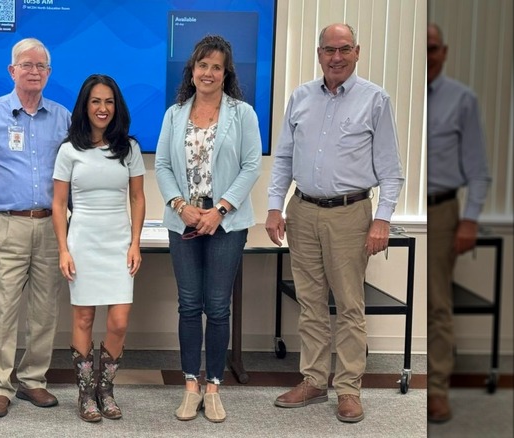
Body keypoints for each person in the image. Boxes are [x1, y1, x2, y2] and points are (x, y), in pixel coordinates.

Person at [265, 23, 404, 423]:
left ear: (357, 52)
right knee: (309, 303)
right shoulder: (301, 97)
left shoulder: (375, 99)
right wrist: (275, 206)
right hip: (303, 211)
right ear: (319, 53)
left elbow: (391, 170)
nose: (336, 57)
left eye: (344, 49)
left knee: (348, 305)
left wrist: (383, 220)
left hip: (351, 214)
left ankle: (348, 389)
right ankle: (312, 380)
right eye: (329, 49)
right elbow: (285, 160)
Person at [0, 37, 70, 419]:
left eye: (41, 66)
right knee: (2, 312)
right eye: (27, 64)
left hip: (51, 227)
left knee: (45, 311)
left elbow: (71, 178)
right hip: (5, 226)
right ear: (12, 70)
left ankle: (34, 381)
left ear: (49, 73)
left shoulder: (63, 117)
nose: (34, 71)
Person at [155, 35, 262, 423]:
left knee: (217, 307)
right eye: (203, 65)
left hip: (226, 224)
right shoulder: (174, 114)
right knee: (189, 305)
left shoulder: (243, 114)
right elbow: (163, 166)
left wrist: (219, 210)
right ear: (192, 70)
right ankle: (189, 387)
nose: (209, 73)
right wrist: (180, 206)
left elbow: (252, 166)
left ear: (226, 72)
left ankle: (213, 387)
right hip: (182, 222)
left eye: (216, 66)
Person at [52, 74, 146, 422]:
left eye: (108, 101)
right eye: (95, 101)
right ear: (85, 106)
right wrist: (64, 249)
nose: (102, 108)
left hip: (119, 241)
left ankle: (106, 390)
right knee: (85, 317)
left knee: (119, 322)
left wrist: (135, 243)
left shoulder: (130, 149)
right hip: (83, 240)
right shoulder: (68, 150)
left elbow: (137, 197)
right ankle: (85, 394)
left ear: (116, 106)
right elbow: (59, 205)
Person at [425, 23, 491, 423]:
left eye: (432, 48)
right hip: (389, 206)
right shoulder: (393, 98)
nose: (428, 55)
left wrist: (470, 221)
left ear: (444, 52)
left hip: (443, 212)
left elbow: (480, 170)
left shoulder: (462, 100)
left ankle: (436, 390)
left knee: (437, 304)